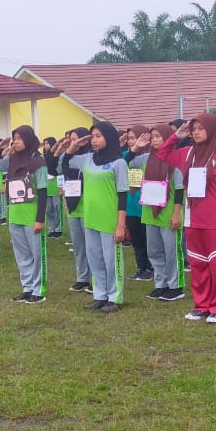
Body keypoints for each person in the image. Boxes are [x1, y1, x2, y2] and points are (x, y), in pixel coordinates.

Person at [156, 113, 216, 323]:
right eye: (193, 129)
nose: (195, 132)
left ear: (212, 130)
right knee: (198, 265)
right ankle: (201, 305)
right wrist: (177, 135)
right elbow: (162, 154)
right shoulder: (187, 154)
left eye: (201, 129)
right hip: (193, 220)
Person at [79, 122, 129, 313]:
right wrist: (76, 145)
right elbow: (61, 162)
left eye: (99, 136)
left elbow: (123, 195)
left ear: (109, 137)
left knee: (111, 261)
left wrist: (120, 225)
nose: (95, 140)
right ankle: (100, 295)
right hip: (91, 218)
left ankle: (114, 297)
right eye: (93, 136)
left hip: (110, 220)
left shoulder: (119, 163)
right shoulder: (88, 160)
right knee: (95, 259)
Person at [137, 123, 186, 303]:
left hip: (168, 213)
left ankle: (175, 286)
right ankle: (161, 284)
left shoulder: (175, 160)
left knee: (172, 251)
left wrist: (176, 214)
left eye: (159, 136)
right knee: (154, 250)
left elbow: (179, 189)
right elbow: (125, 161)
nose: (155, 140)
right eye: (153, 136)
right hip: (150, 212)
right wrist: (136, 148)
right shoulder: (145, 159)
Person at [4, 125, 49, 303]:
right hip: (16, 214)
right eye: (14, 138)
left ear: (29, 140)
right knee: (22, 255)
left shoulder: (38, 162)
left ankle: (39, 289)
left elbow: (43, 192)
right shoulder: (12, 160)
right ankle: (27, 287)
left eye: (19, 138)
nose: (15, 142)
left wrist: (39, 219)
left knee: (36, 254)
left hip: (32, 215)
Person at [56, 128, 93, 293]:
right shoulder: (68, 159)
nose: (73, 143)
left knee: (91, 246)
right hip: (72, 206)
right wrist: (64, 149)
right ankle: (82, 278)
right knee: (79, 246)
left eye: (76, 140)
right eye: (71, 140)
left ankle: (95, 279)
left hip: (88, 206)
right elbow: (57, 167)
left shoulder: (91, 157)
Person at [123, 125, 155, 281]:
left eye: (133, 138)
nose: (130, 141)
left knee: (148, 239)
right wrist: (133, 149)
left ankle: (151, 267)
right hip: (130, 205)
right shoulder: (125, 156)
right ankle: (141, 267)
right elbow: (121, 162)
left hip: (145, 204)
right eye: (128, 139)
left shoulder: (150, 157)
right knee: (136, 240)